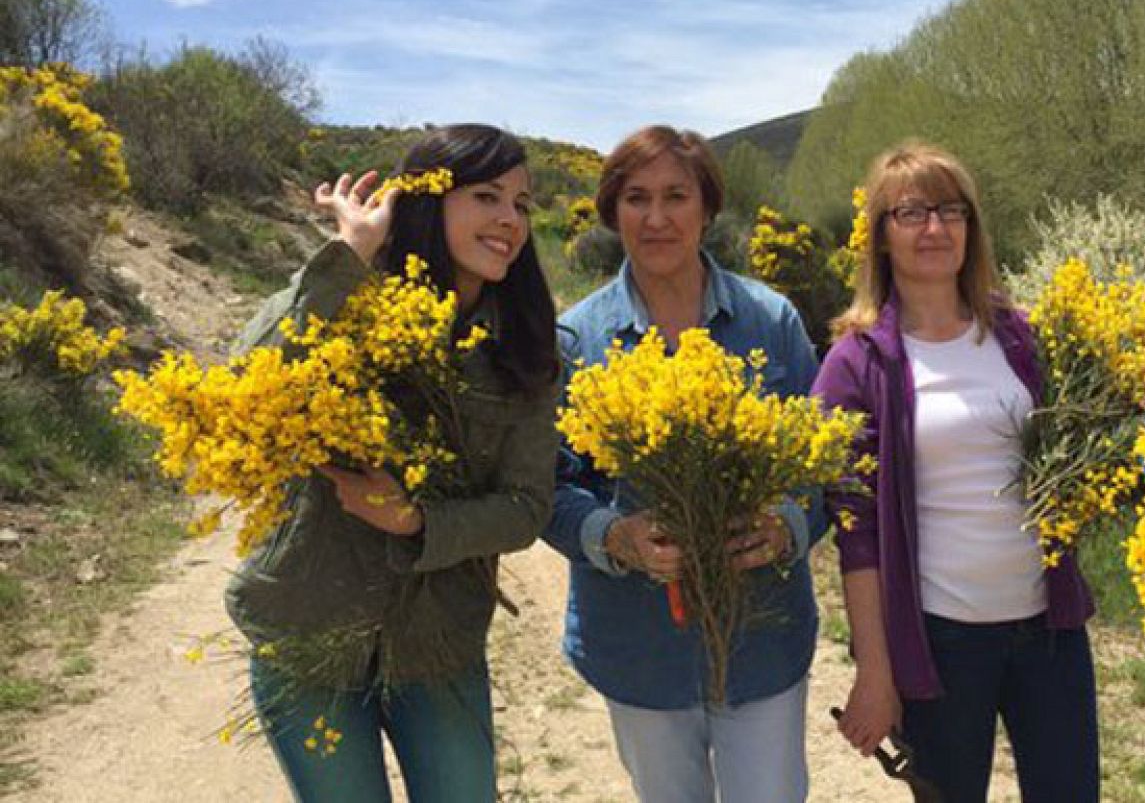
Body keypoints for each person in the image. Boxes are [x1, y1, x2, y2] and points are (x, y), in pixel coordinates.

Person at [227, 124, 560, 802]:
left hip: (437, 645)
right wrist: (351, 248)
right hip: (306, 626)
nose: (509, 220)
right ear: (428, 201)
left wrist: (417, 519)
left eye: (522, 204)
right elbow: (245, 377)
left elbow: (526, 508)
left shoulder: (523, 345)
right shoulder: (346, 297)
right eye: (487, 196)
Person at [812, 141, 1100, 803]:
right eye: (911, 212)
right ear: (880, 237)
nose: (935, 228)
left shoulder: (1020, 336)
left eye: (951, 210)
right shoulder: (856, 362)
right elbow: (856, 540)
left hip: (1049, 631)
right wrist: (875, 673)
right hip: (941, 643)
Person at [544, 125, 824, 803]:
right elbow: (550, 487)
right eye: (637, 197)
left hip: (762, 640)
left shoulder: (771, 319)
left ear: (707, 207)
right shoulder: (577, 338)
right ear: (612, 213)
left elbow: (823, 468)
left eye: (677, 195)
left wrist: (787, 524)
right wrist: (614, 536)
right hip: (640, 650)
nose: (658, 216)